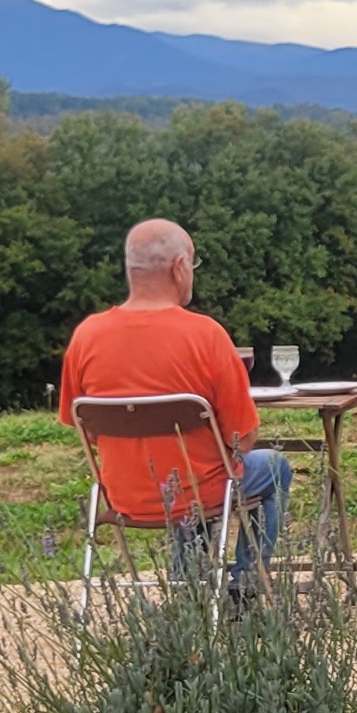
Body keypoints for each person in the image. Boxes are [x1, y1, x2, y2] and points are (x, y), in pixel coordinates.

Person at [58, 219, 288, 589]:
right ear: (179, 267)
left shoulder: (86, 336)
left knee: (197, 474)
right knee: (274, 464)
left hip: (124, 496)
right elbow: (241, 441)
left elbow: (83, 427)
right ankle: (246, 584)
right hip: (200, 492)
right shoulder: (207, 336)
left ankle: (191, 591)